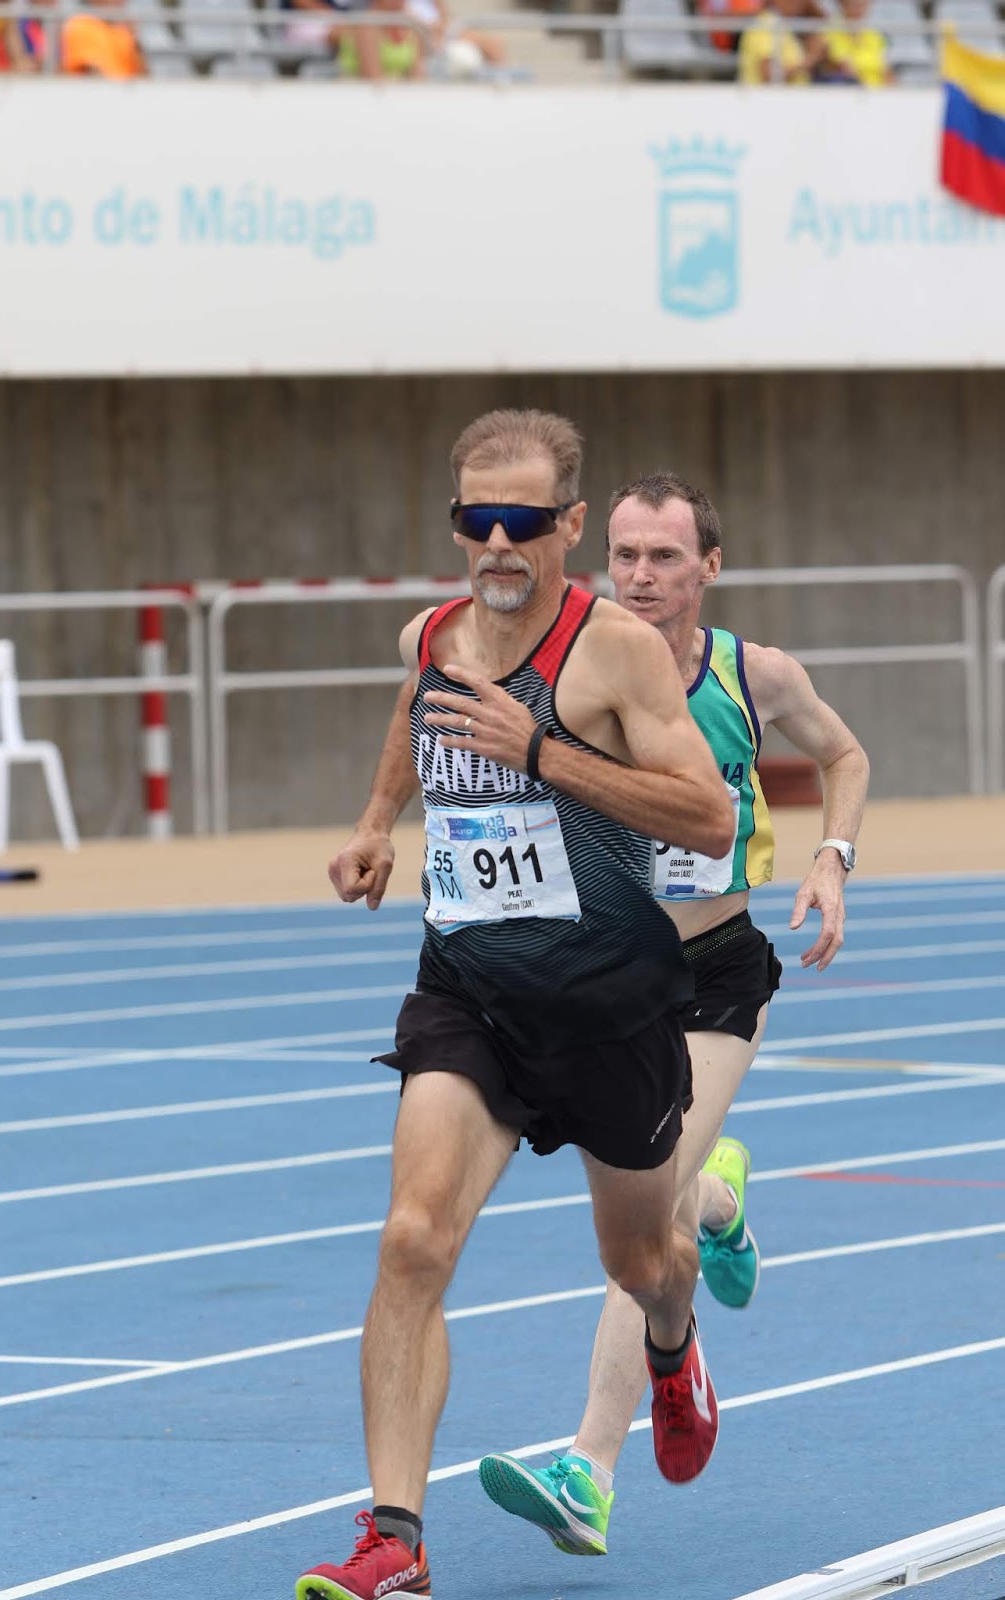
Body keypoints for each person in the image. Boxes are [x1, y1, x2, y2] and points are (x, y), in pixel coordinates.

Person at [299, 413, 735, 1600]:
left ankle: (672, 1345)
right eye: (474, 520)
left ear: (570, 527)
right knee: (411, 1238)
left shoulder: (617, 655)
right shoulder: (436, 633)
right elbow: (415, 707)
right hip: (473, 991)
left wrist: (538, 750)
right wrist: (377, 824)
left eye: (523, 522)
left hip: (609, 1006)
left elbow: (708, 818)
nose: (496, 543)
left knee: (641, 1255)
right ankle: (396, 1537)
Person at [478, 471, 869, 1556]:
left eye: (663, 555)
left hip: (713, 978)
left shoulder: (755, 674)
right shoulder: (568, 667)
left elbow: (843, 753)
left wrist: (832, 861)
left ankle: (588, 1470)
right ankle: (718, 1207)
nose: (641, 574)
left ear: (708, 566)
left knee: (631, 1224)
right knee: (657, 1205)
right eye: (626, 553)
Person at [822, 0, 893, 84]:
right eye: (855, 5)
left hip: (877, 91)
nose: (860, 10)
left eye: (863, 5)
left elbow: (887, 71)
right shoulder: (828, 32)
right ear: (842, 5)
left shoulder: (874, 34)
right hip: (847, 89)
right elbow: (840, 67)